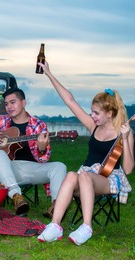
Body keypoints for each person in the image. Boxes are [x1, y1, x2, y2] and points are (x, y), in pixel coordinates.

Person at [37, 61, 134, 245]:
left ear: (110, 114)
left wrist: (127, 139)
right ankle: (55, 225)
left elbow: (128, 169)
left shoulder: (124, 132)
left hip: (108, 178)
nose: (92, 116)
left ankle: (87, 226)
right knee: (73, 175)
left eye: (96, 113)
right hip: (87, 175)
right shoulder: (93, 126)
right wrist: (49, 73)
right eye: (91, 112)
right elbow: (70, 101)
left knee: (85, 176)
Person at [0, 87, 67, 216]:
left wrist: (41, 148)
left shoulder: (39, 125)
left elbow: (44, 159)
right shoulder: (1, 121)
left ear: (23, 103)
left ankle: (56, 206)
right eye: (6, 104)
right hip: (7, 170)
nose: (9, 106)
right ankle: (17, 197)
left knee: (60, 167)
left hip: (32, 169)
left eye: (13, 102)